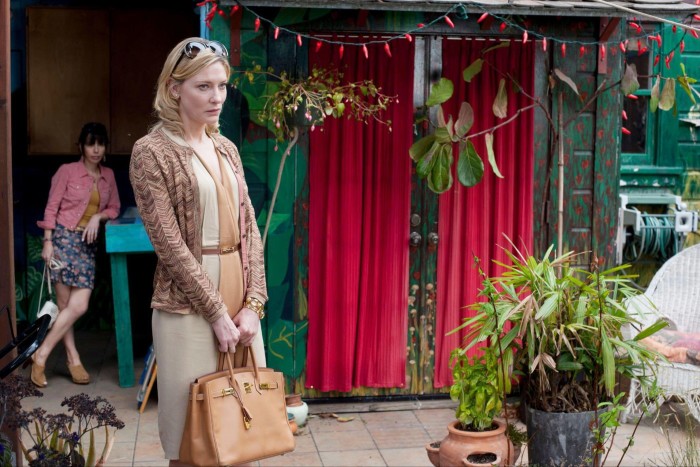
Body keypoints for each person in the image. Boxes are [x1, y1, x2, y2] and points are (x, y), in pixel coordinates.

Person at [129, 37, 268, 464]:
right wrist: (214, 312)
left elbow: (250, 228)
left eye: (222, 86)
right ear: (174, 88)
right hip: (188, 307)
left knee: (246, 426)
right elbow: (168, 243)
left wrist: (254, 303)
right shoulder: (151, 152)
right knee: (194, 440)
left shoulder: (226, 147)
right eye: (203, 87)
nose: (217, 97)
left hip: (240, 301)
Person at [33, 122, 121, 387]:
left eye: (100, 144)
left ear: (105, 147)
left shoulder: (109, 176)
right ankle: (73, 359)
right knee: (65, 307)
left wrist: (98, 216)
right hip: (62, 240)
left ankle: (41, 353)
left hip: (85, 245)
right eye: (90, 143)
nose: (95, 149)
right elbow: (51, 208)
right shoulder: (67, 172)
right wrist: (47, 242)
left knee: (78, 306)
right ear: (81, 146)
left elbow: (115, 207)